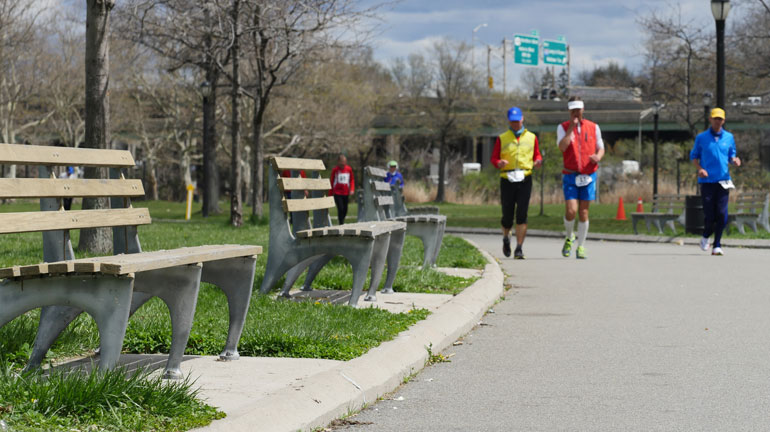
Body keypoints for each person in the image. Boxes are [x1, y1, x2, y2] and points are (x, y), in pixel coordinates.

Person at [490, 106, 543, 259]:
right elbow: (494, 158)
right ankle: (506, 238)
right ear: (509, 121)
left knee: (522, 213)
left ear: (522, 119)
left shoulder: (532, 137)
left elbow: (537, 155)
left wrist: (538, 161)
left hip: (525, 178)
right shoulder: (502, 138)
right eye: (512, 121)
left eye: (517, 120)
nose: (515, 124)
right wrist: (498, 162)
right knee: (507, 215)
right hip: (507, 178)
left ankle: (519, 248)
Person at [557, 96, 605, 259]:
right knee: (571, 211)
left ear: (583, 109)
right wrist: (571, 128)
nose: (576, 112)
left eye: (578, 109)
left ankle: (581, 246)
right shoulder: (562, 127)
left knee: (583, 213)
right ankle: (569, 236)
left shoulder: (593, 127)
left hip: (588, 174)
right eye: (573, 110)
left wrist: (598, 156)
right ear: (569, 111)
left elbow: (601, 147)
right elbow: (562, 147)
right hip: (570, 174)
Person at [690, 107, 741, 256]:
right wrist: (699, 168)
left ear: (724, 120)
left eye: (720, 119)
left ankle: (717, 245)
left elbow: (732, 155)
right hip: (707, 181)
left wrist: (735, 160)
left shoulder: (729, 137)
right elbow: (694, 156)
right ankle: (706, 235)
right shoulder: (701, 138)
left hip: (723, 180)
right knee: (710, 215)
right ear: (710, 119)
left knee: (722, 213)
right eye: (715, 118)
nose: (718, 121)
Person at [330, 154, 355, 225]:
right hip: (337, 193)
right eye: (342, 162)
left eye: (345, 162)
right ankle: (341, 223)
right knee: (340, 208)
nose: (343, 164)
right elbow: (332, 181)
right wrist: (330, 193)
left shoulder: (349, 169)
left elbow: (352, 180)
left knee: (345, 209)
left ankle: (342, 220)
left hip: (346, 192)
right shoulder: (335, 170)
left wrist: (352, 189)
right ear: (338, 161)